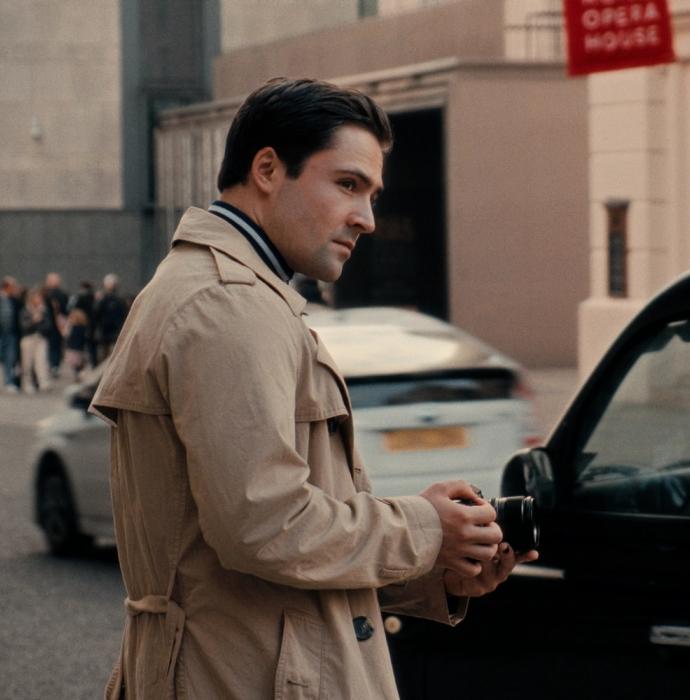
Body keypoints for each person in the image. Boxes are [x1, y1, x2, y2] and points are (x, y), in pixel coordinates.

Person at [89, 77, 535, 699]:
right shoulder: (229, 304)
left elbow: (269, 559)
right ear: (268, 169)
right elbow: (265, 526)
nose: (367, 218)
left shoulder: (243, 295)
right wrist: (426, 528)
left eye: (372, 194)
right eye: (348, 184)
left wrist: (439, 567)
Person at [18, 288, 54, 393]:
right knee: (27, 363)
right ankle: (27, 383)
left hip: (40, 338)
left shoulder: (44, 310)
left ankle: (43, 382)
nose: (39, 300)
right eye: (37, 298)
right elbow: (23, 326)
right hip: (28, 338)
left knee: (41, 361)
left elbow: (48, 325)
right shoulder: (25, 310)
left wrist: (40, 323)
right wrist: (34, 321)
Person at [92, 273, 127, 364]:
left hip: (107, 332)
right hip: (114, 332)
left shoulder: (103, 300)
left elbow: (96, 315)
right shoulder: (119, 300)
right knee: (113, 357)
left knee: (105, 357)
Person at [43, 272, 69, 379]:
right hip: (59, 325)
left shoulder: (45, 294)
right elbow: (66, 310)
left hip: (48, 325)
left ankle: (52, 365)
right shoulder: (63, 294)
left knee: (51, 346)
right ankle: (55, 366)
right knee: (57, 346)